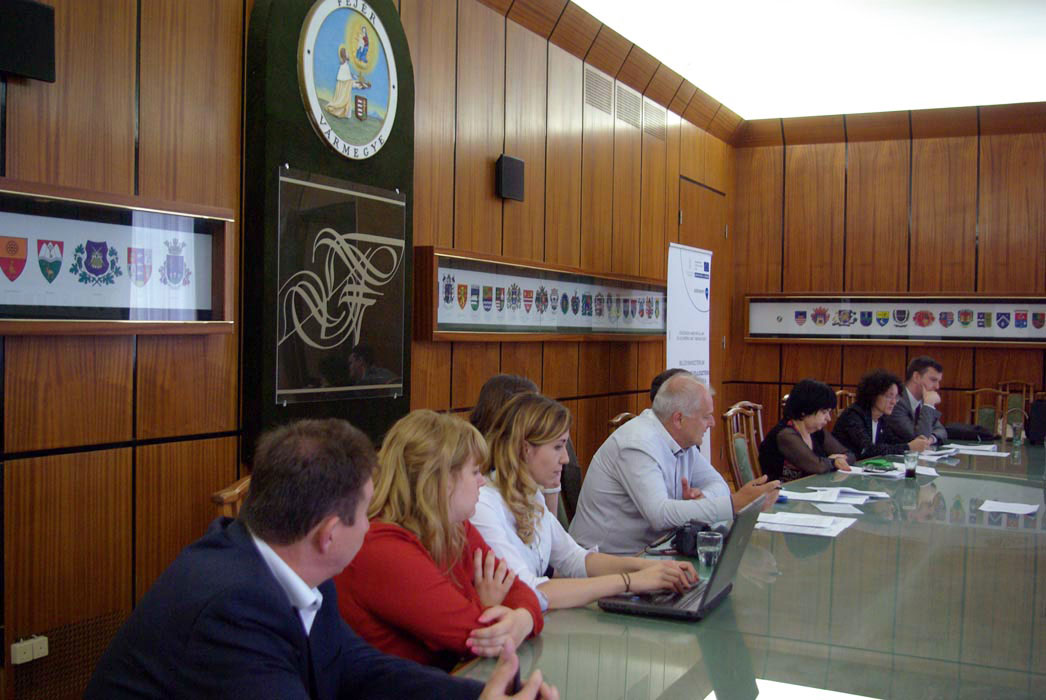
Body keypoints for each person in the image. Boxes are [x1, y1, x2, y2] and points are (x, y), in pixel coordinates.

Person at [86, 418, 557, 699]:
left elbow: (355, 667)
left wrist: (482, 694)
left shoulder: (298, 569)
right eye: (365, 513)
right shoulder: (231, 610)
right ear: (329, 535)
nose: (372, 525)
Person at [336, 410, 544, 670]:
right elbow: (476, 636)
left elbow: (521, 592)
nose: (482, 481)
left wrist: (523, 619)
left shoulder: (455, 527)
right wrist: (488, 607)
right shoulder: (382, 549)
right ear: (441, 480)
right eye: (475, 471)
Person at [471, 393, 698, 610]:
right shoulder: (483, 507)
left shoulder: (531, 495)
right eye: (558, 446)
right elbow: (530, 590)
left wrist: (654, 567)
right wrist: (630, 581)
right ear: (525, 449)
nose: (565, 458)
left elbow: (576, 559)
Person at [569, 372, 781, 555]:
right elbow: (660, 515)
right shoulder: (638, 444)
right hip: (602, 562)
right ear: (679, 419)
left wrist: (699, 502)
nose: (713, 423)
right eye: (706, 417)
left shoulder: (683, 442)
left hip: (652, 555)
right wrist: (733, 505)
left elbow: (719, 486)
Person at [469, 374, 582, 521]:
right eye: (534, 410)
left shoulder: (533, 487)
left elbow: (555, 531)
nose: (565, 459)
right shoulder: (483, 497)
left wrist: (552, 488)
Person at [759, 379, 856, 483]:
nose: (829, 418)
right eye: (824, 412)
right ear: (805, 410)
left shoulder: (816, 432)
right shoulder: (785, 434)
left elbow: (850, 455)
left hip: (810, 488)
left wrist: (837, 460)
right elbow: (818, 466)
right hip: (780, 491)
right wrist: (833, 461)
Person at [833, 370, 931, 459]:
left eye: (896, 397)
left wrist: (915, 442)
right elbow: (867, 450)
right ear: (873, 395)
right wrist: (908, 447)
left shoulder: (882, 418)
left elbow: (892, 442)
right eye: (889, 396)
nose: (894, 402)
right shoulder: (854, 415)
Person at [883, 356, 948, 446]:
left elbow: (941, 431)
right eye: (933, 380)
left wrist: (931, 439)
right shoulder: (896, 401)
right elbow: (919, 438)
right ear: (916, 377)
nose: (937, 387)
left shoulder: (923, 401)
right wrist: (928, 405)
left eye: (938, 381)